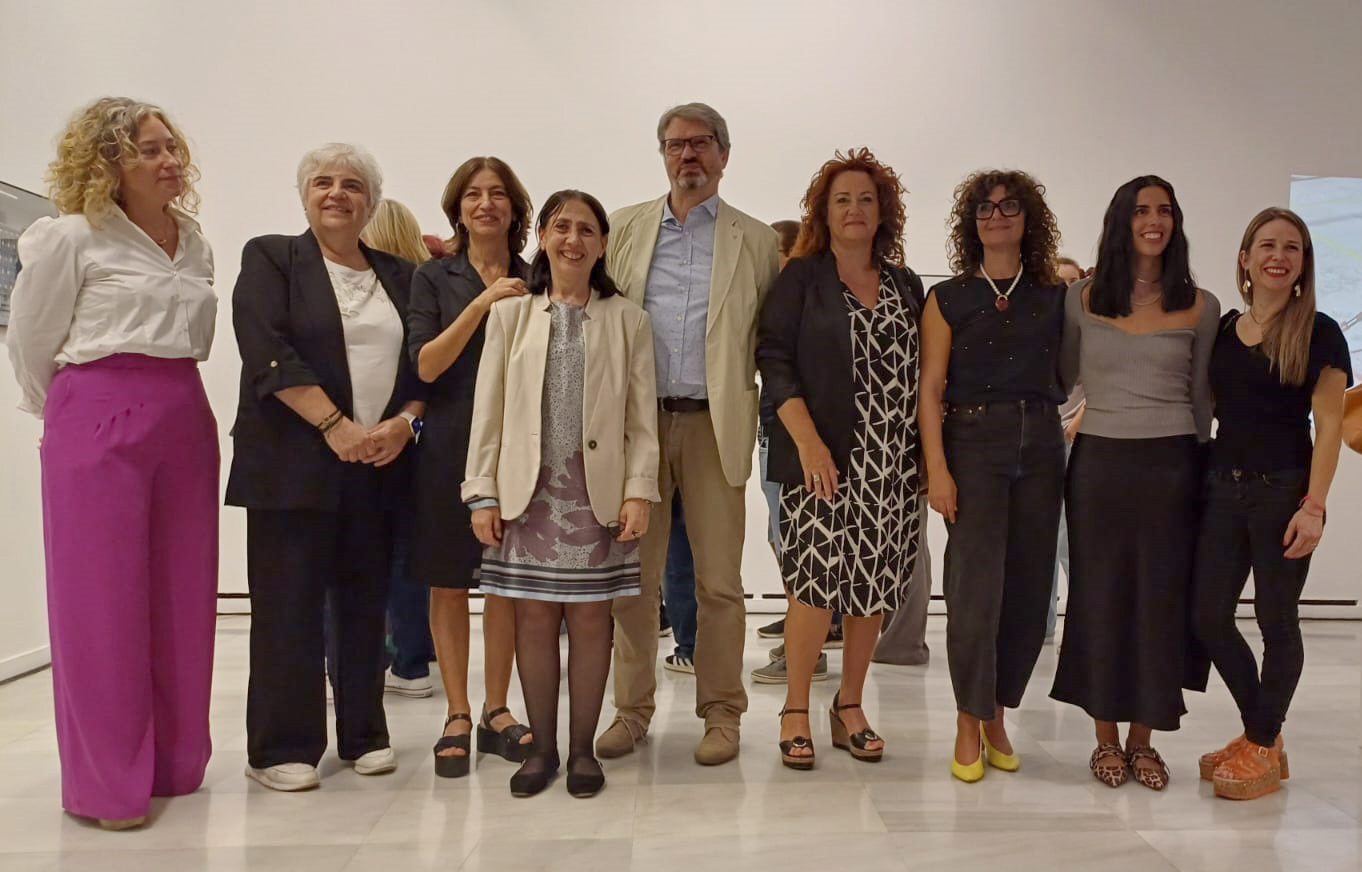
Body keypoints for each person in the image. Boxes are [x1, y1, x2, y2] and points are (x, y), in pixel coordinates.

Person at [6, 97, 218, 830]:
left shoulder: (192, 241)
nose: (170, 161)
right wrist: (71, 420)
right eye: (149, 150)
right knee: (101, 606)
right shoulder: (69, 237)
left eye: (171, 146)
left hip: (184, 415)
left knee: (182, 596)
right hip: (95, 412)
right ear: (109, 165)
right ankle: (106, 788)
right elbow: (31, 344)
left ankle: (172, 761)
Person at [226, 143, 424, 792]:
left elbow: (422, 365)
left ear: (371, 201)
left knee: (366, 605)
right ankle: (281, 747)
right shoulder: (272, 257)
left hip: (377, 465)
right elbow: (266, 350)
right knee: (290, 609)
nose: (336, 193)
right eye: (322, 182)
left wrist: (404, 421)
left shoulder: (398, 275)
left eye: (351, 185)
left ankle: (365, 731)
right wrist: (333, 426)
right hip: (292, 467)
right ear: (304, 195)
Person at [598, 103, 780, 765]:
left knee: (719, 586)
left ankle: (723, 716)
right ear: (663, 155)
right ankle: (632, 712)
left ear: (724, 155)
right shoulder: (623, 228)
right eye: (675, 145)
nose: (688, 156)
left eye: (701, 144)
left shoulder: (757, 243)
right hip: (636, 431)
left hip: (713, 428)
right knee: (634, 584)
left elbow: (771, 344)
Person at [463, 189, 659, 798]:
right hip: (528, 496)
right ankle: (540, 749)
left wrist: (638, 491)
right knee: (534, 619)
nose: (573, 239)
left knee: (593, 620)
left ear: (603, 245)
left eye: (586, 230)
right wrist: (482, 493)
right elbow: (487, 412)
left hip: (596, 497)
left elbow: (640, 420)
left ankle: (582, 752)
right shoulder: (510, 315)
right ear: (543, 237)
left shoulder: (628, 319)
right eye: (561, 227)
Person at [1050, 175, 1219, 791]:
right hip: (1099, 466)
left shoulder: (1202, 305)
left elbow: (1201, 401)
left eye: (1165, 211)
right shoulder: (1082, 299)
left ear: (1176, 223)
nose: (1154, 220)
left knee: (1159, 601)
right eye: (1142, 210)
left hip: (1173, 466)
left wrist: (1201, 476)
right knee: (1099, 596)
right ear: (1121, 220)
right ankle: (1104, 741)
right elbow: (1065, 380)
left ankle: (1144, 740)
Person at [757, 148, 924, 769]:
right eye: (842, 200)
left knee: (873, 584)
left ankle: (849, 704)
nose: (855, 210)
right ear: (824, 213)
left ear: (884, 212)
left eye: (866, 199)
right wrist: (806, 442)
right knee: (814, 582)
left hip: (894, 464)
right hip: (820, 459)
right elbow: (773, 359)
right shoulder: (802, 278)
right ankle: (796, 707)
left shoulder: (907, 284)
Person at [1193, 208, 1351, 800]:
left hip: (1284, 491)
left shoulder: (1321, 331)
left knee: (1275, 621)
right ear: (1245, 257)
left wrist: (1315, 506)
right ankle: (1264, 734)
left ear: (1303, 264)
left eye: (1292, 247)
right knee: (1207, 616)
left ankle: (1261, 740)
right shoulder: (1226, 329)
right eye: (1266, 244)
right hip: (1223, 491)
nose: (1278, 255)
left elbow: (1330, 429)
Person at [920, 169, 1067, 783]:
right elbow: (928, 390)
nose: (997, 215)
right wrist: (938, 470)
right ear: (970, 221)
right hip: (973, 443)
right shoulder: (948, 296)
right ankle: (966, 716)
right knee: (974, 590)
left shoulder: (1057, 294)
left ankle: (998, 714)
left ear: (1028, 218)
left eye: (1009, 206)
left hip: (1041, 443)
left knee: (1031, 593)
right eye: (985, 207)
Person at [407, 157, 535, 776]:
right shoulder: (433, 278)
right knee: (449, 580)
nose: (486, 204)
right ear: (457, 208)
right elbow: (427, 366)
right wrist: (483, 302)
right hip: (448, 446)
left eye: (498, 195)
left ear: (515, 208)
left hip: (522, 449)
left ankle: (496, 710)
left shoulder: (538, 276)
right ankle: (456, 711)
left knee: (508, 583)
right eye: (473, 195)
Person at [357, 198, 438, 699]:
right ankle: (412, 661)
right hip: (420, 438)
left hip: (368, 434)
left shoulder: (372, 291)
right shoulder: (430, 281)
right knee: (409, 555)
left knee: (353, 554)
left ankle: (360, 657)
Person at [1045, 256, 1086, 642]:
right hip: (1043, 443)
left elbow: (1104, 381)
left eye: (1072, 282)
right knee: (1043, 537)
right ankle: (1041, 629)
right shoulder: (1041, 329)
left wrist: (1076, 425)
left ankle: (1082, 628)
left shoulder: (1088, 329)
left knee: (1069, 539)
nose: (1065, 290)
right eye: (1058, 282)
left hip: (1074, 442)